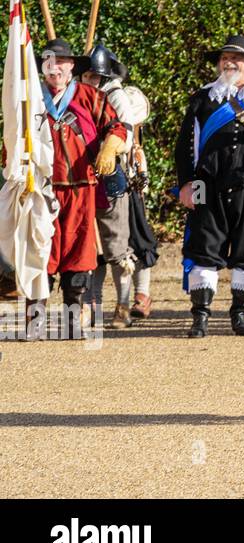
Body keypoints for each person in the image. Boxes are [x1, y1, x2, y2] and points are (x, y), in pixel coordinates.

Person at [175, 35, 244, 338]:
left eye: (235, 58)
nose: (228, 62)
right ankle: (200, 317)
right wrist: (186, 184)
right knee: (203, 248)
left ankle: (240, 315)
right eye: (224, 57)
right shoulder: (203, 99)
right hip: (207, 185)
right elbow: (185, 146)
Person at [40, 39, 127, 336]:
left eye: (62, 63)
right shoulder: (29, 98)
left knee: (79, 254)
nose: (56, 68)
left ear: (72, 67)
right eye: (50, 62)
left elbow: (116, 126)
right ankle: (34, 319)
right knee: (40, 253)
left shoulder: (90, 96)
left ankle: (71, 321)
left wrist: (109, 148)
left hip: (81, 187)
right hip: (40, 190)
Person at [82, 44, 158, 329]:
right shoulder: (74, 97)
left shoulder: (115, 97)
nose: (91, 79)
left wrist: (109, 148)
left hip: (116, 179)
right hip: (81, 180)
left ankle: (124, 305)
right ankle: (91, 305)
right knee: (91, 248)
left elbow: (124, 131)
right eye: (86, 74)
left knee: (119, 245)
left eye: (95, 75)